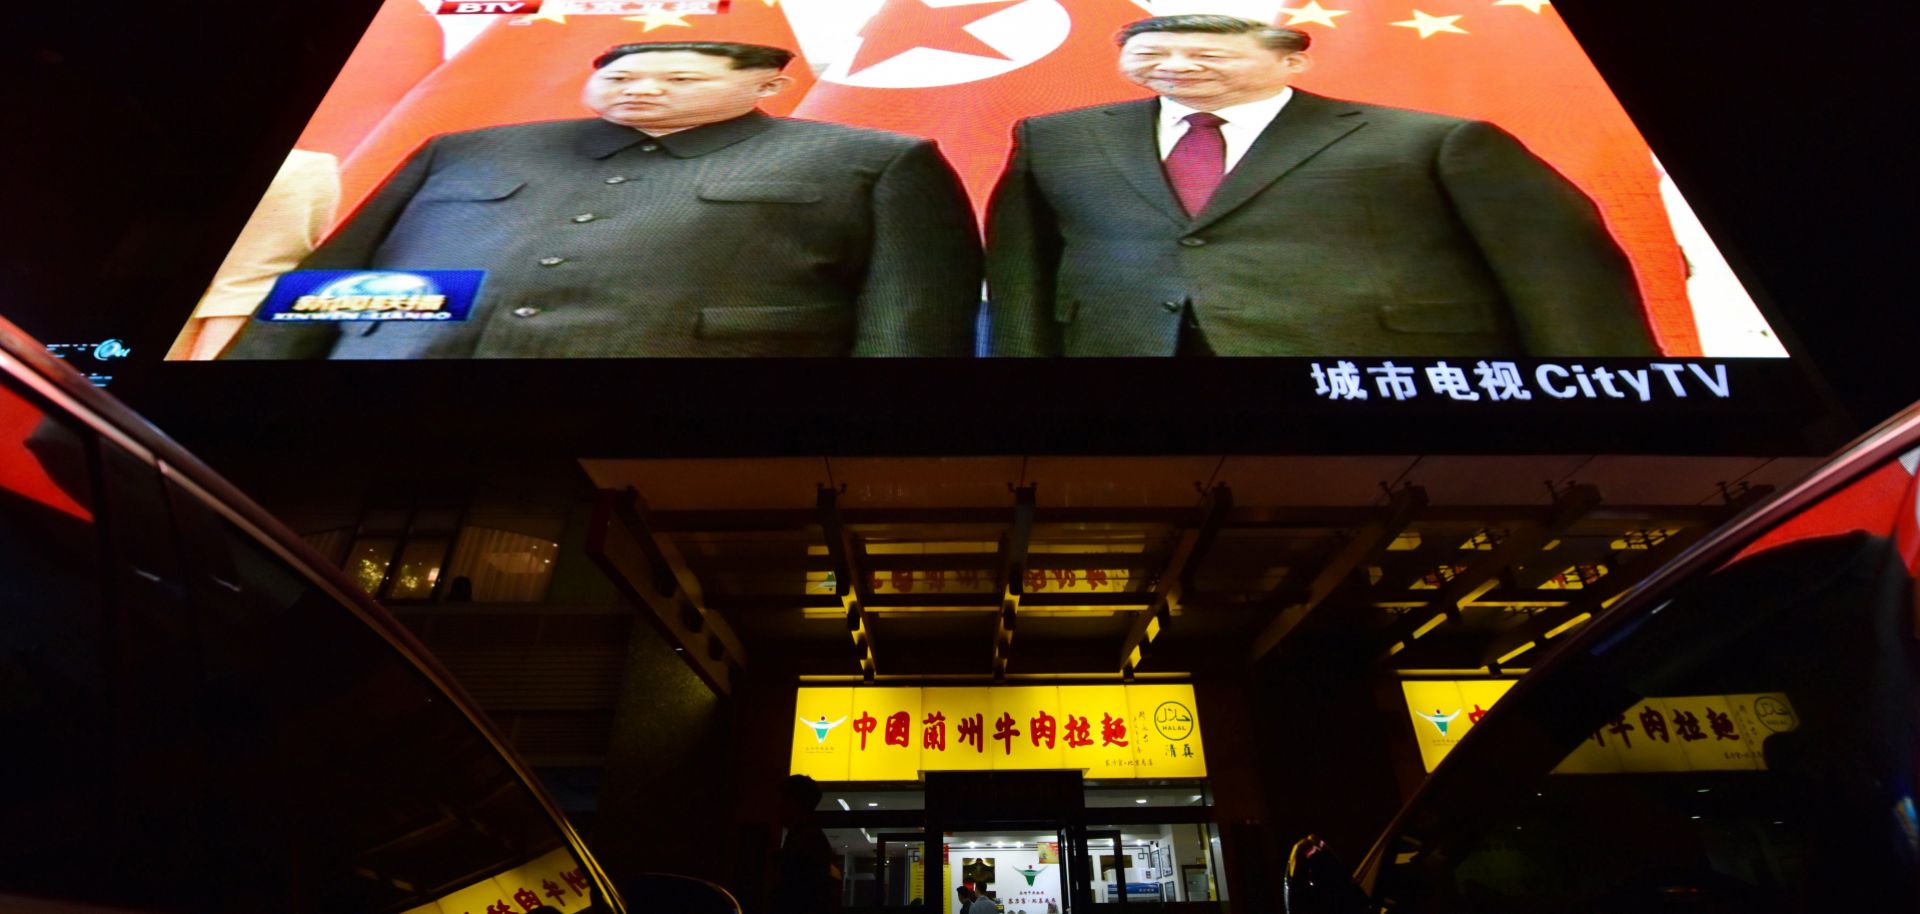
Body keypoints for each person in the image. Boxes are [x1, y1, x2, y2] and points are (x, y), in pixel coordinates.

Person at [225, 41, 981, 360]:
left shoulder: (875, 161)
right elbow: (341, 284)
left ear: (768, 86)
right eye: (621, 79)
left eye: (680, 79)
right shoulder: (468, 147)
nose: (643, 89)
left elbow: (908, 322)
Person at [985, 15, 1658, 358]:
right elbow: (1022, 270)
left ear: (1291, 58)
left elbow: (1560, 275)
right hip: (1127, 370)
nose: (1177, 66)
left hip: (1368, 377)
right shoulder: (1056, 137)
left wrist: (1616, 394)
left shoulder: (1435, 141)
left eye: (1206, 53)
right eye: (1153, 55)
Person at [774, 774, 839, 913]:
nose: (777, 806)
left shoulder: (803, 840)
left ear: (794, 803)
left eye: (782, 800)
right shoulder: (811, 837)